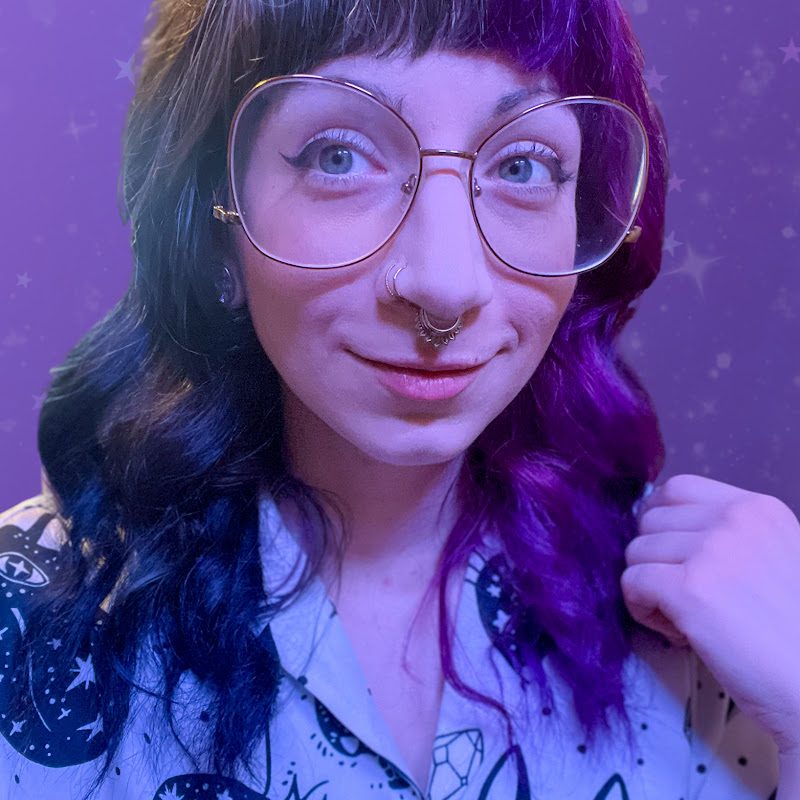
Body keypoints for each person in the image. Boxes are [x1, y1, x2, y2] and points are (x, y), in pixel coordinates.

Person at [1, 0, 799, 798]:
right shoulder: (26, 618)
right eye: (339, 157)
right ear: (216, 232)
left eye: (524, 167)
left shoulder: (715, 626)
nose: (445, 284)